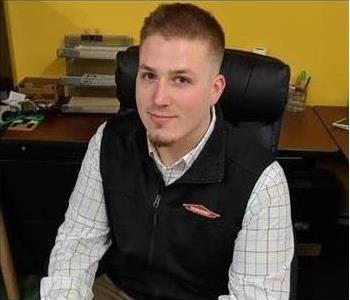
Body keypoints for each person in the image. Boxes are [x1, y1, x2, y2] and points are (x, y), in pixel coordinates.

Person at [40, 3, 294, 300]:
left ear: (215, 89)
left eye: (181, 80)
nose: (158, 99)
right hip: (119, 290)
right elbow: (77, 244)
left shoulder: (262, 181)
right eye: (149, 76)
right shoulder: (109, 142)